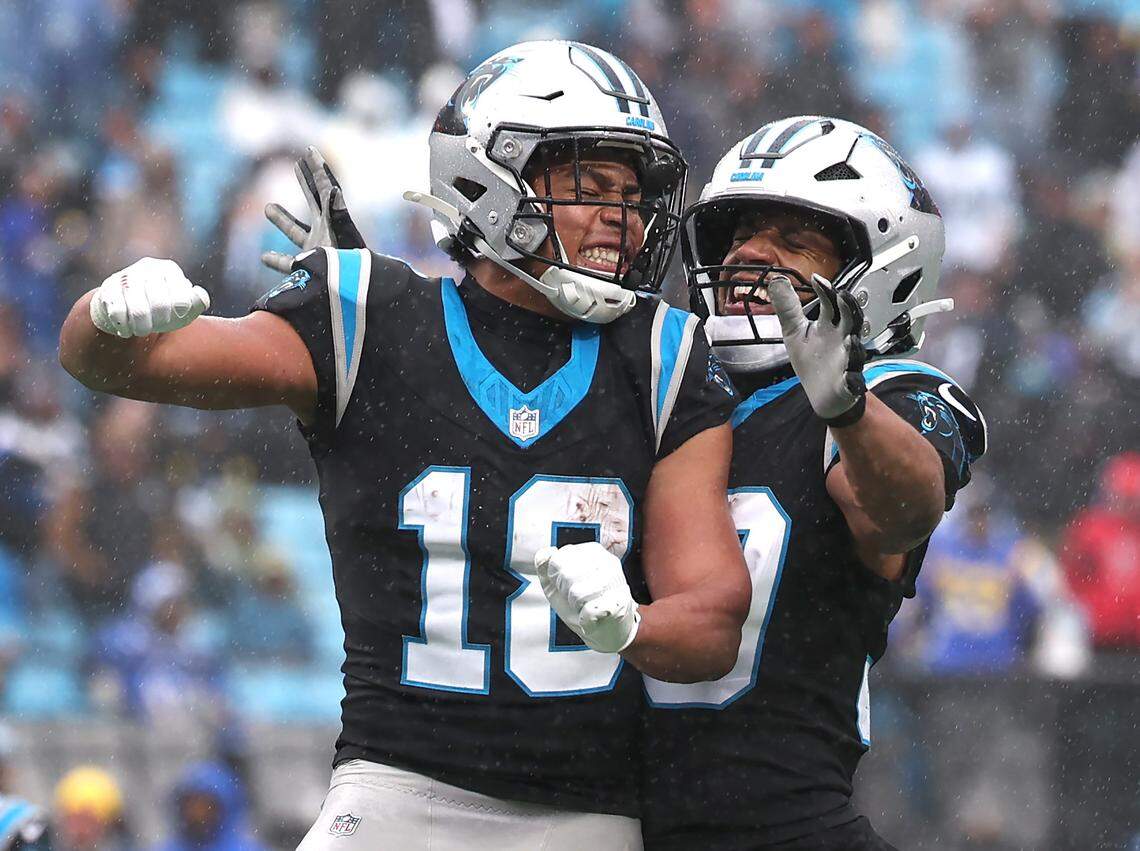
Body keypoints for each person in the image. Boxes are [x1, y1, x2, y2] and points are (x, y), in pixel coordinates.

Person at [59, 41, 750, 849]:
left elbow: (712, 624)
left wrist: (628, 624)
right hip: (394, 789)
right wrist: (104, 316)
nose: (621, 218)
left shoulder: (663, 357)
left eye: (631, 195)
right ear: (488, 180)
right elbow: (112, 363)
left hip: (583, 813)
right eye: (589, 188)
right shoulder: (371, 318)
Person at [637, 116, 987, 849]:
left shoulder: (893, 395)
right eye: (739, 234)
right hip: (607, 817)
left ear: (881, 268)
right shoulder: (663, 381)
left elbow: (898, 513)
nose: (747, 254)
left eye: (794, 241)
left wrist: (846, 406)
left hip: (782, 822)